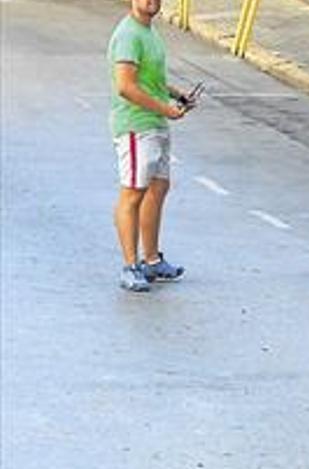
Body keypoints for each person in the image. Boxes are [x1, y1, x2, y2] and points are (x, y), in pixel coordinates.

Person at [109, 0, 195, 292]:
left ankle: (152, 259)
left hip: (155, 124)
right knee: (132, 193)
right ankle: (130, 266)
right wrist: (165, 108)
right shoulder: (128, 35)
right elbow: (125, 85)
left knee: (158, 188)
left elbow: (150, 79)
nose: (152, 1)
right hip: (136, 126)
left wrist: (177, 95)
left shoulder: (150, 33)